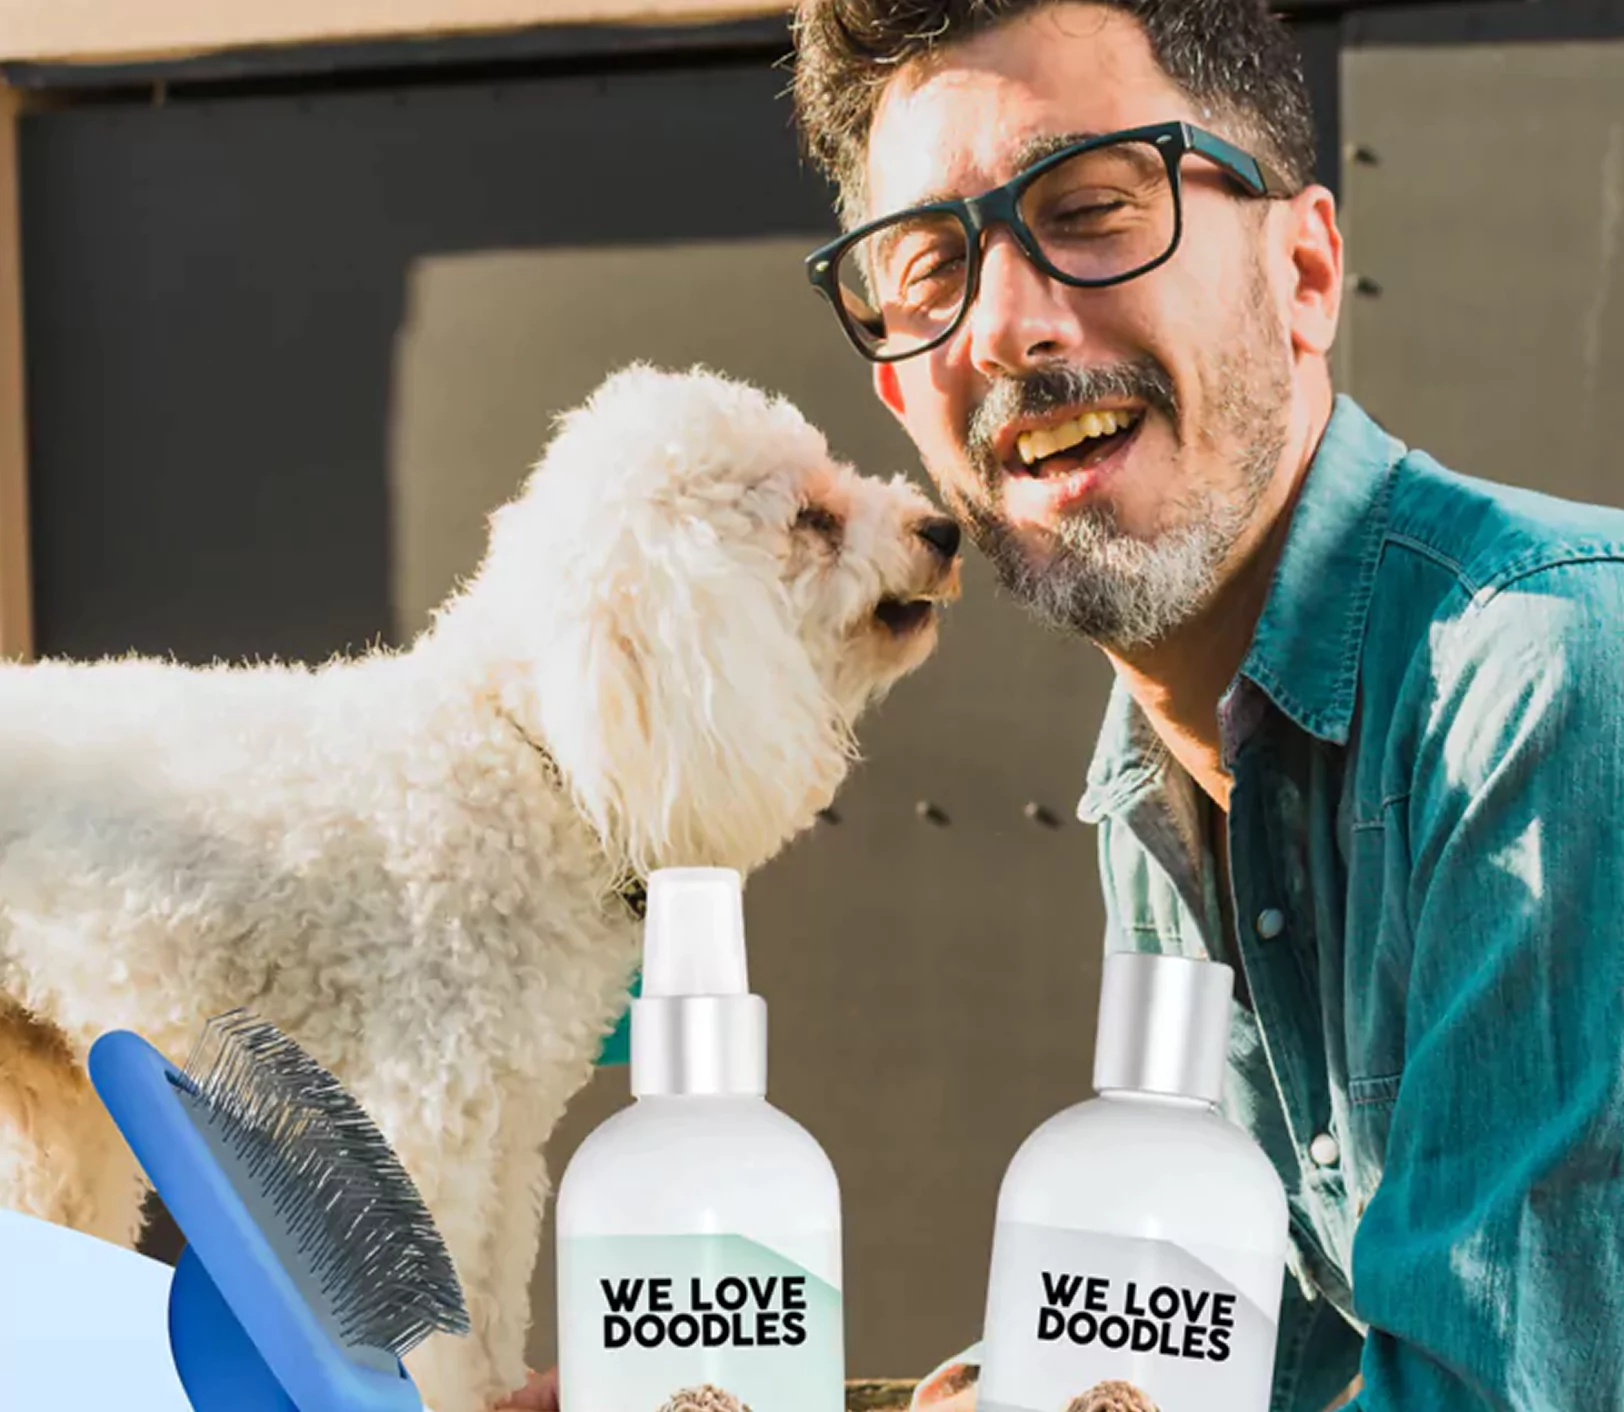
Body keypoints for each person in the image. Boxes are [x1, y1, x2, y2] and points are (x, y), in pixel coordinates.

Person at [513, 1, 1624, 1407]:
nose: (1005, 327)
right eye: (930, 269)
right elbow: (1251, 1360)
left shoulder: (1550, 677)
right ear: (898, 391)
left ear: (1303, 272)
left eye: (1091, 210)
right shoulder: (1161, 778)